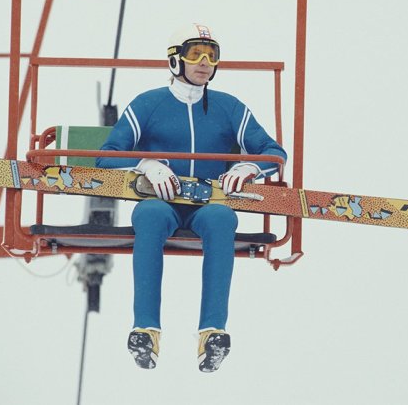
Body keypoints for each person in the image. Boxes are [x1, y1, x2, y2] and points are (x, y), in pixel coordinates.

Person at [96, 23, 287, 373]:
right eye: (195, 53)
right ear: (175, 59)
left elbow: (273, 153)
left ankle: (213, 333)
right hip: (162, 202)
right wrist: (145, 164)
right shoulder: (149, 104)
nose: (204, 62)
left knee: (222, 218)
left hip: (208, 203)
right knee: (150, 215)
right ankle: (145, 331)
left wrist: (249, 167)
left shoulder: (229, 108)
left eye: (211, 55)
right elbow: (106, 157)